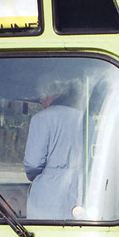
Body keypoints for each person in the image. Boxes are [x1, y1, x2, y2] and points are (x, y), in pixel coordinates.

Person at [23, 83, 83, 219]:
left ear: (49, 96)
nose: (42, 103)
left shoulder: (41, 119)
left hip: (49, 194)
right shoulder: (86, 119)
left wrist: (38, 176)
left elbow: (33, 163)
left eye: (41, 99)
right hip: (81, 190)